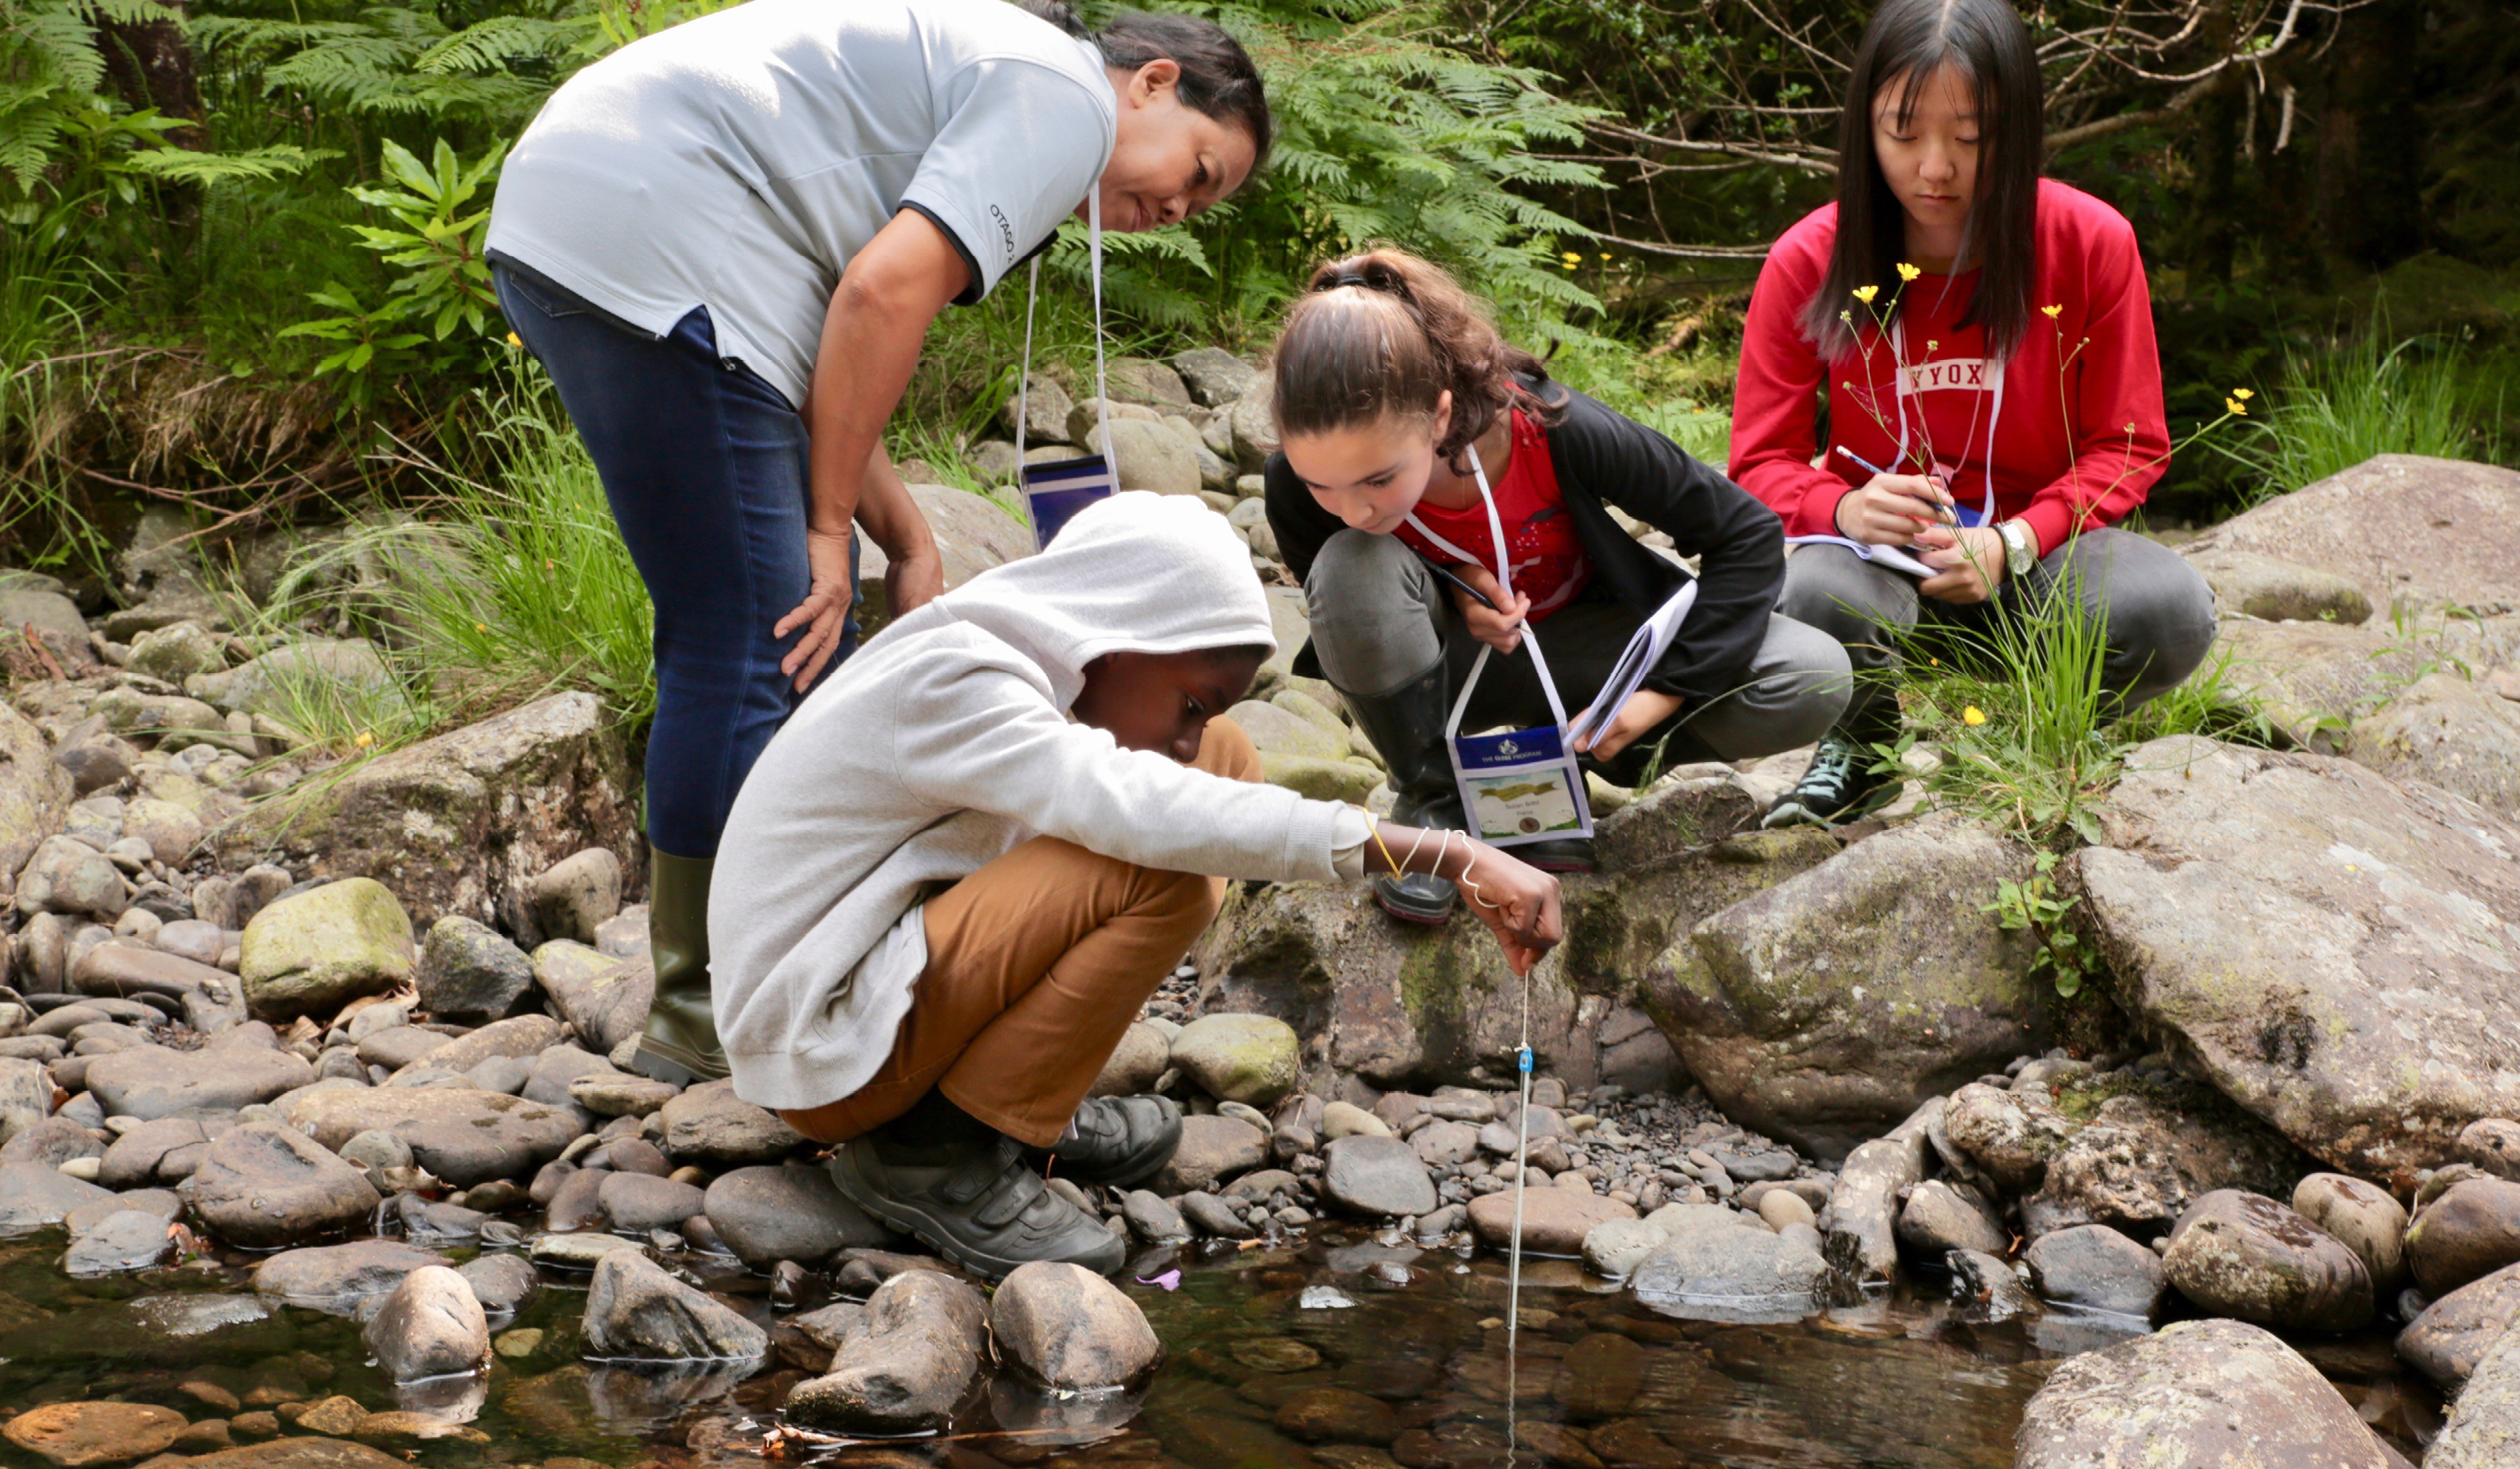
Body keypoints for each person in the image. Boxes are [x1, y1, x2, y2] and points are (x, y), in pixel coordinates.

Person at [485, 0, 1271, 1085]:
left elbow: (814, 350)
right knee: (759, 637)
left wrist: (902, 536)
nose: (1179, 206)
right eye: (1198, 168)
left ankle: (750, 967)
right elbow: (879, 291)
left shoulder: (981, 80)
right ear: (1150, 83)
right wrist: (821, 528)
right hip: (654, 223)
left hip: (589, 213)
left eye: (1201, 201)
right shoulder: (1061, 95)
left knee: (745, 629)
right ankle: (709, 1005)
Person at [708, 491, 1563, 1278]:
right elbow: (1141, 813)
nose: (1191, 736)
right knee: (1158, 866)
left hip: (875, 966)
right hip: (818, 1042)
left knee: (1225, 770)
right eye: (1192, 702)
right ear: (1119, 633)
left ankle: (1016, 1102)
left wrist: (1201, 737)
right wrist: (1450, 853)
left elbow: (1182, 786)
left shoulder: (1027, 656)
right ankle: (934, 1151)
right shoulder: (963, 681)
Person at [1729, 0, 2217, 828]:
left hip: (2034, 575)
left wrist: (2013, 541)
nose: (1933, 170)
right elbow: (1757, 463)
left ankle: (2044, 727)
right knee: (1808, 588)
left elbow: (2128, 446)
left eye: (1970, 138)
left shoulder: (2088, 242)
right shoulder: (1810, 260)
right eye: (1902, 132)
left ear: (2018, 131)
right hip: (1879, 579)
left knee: (2166, 607)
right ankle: (1863, 746)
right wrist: (1842, 507)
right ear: (1862, 129)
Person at [1262, 249, 1852, 926]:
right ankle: (1435, 800)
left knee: (1810, 673)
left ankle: (1550, 776)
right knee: (1349, 563)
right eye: (1321, 485)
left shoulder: (1554, 430)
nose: (1354, 509)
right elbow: (1346, 613)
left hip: (1585, 670)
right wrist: (1454, 584)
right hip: (1443, 671)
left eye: (1377, 479)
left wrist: (1661, 695)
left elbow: (1744, 535)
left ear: (1437, 414)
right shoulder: (1294, 486)